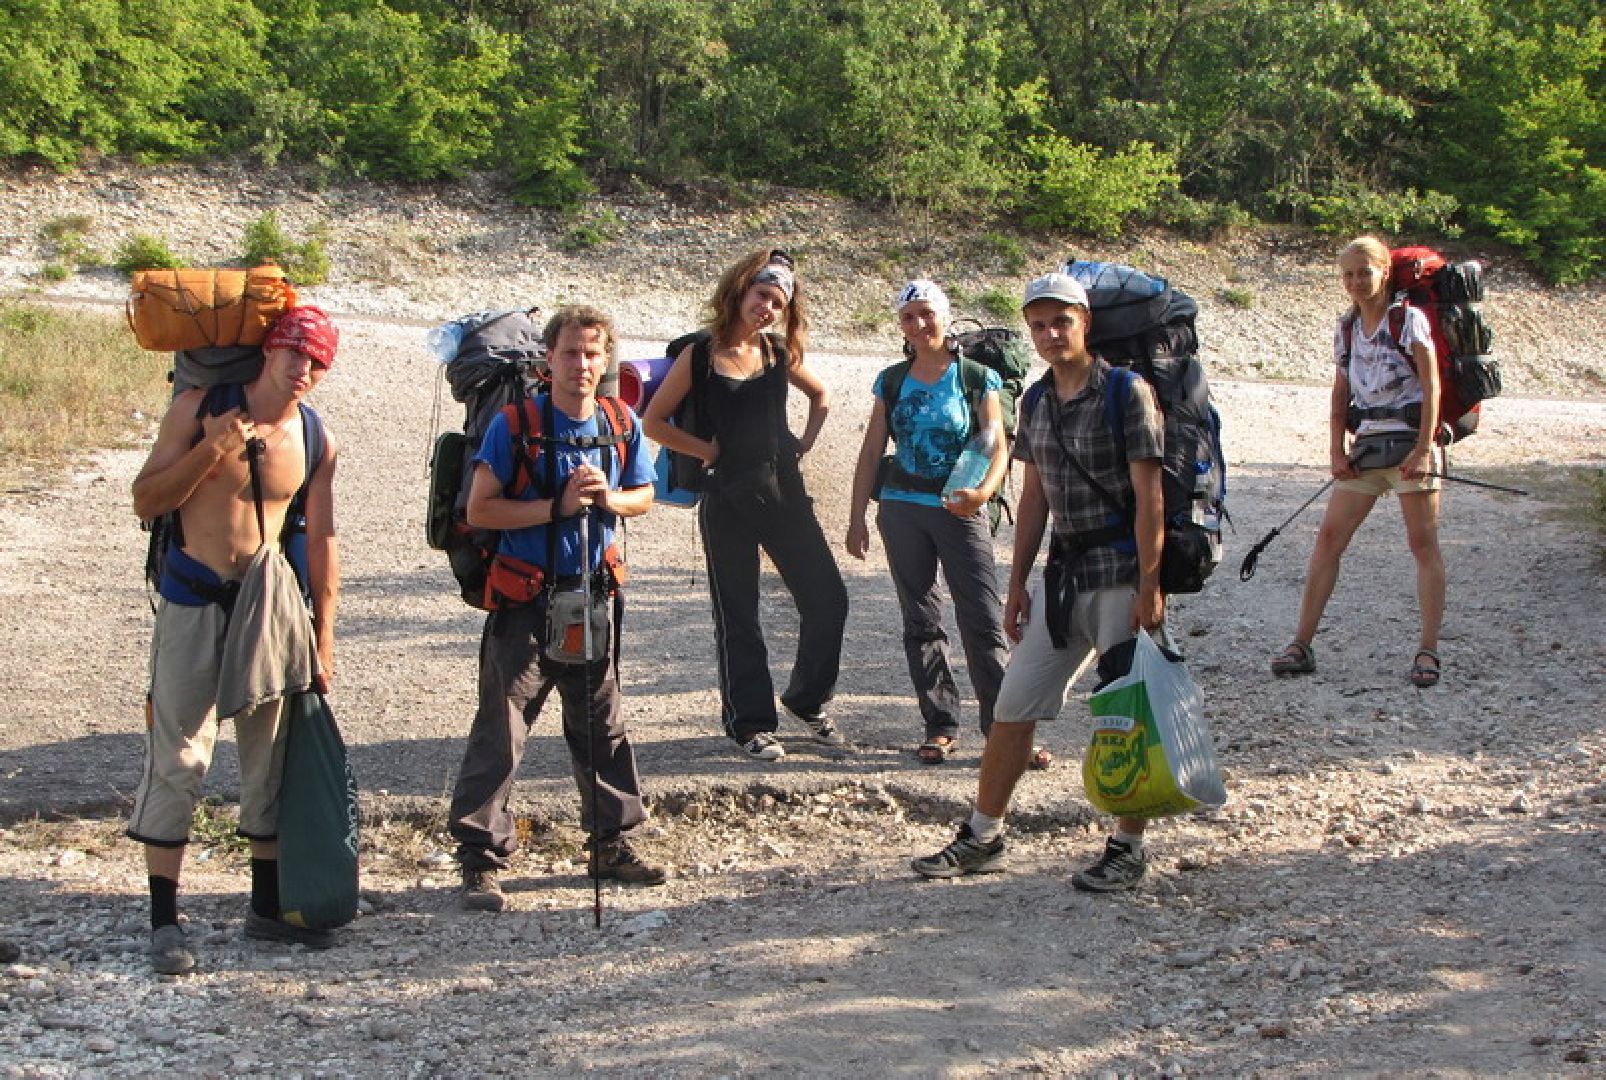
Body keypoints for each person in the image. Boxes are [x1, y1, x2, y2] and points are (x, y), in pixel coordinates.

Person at [911, 272, 1169, 892]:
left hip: (1120, 575)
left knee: (1126, 710)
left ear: (1086, 323)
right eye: (1039, 325)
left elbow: (1149, 494)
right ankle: (984, 836)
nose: (1051, 334)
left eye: (1062, 322)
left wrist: (1151, 584)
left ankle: (1128, 846)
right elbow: (1033, 498)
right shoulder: (1037, 398)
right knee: (1011, 707)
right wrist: (1018, 580)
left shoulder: (1126, 391)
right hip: (1063, 577)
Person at [129, 305, 342, 974]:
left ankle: (267, 907)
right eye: (294, 353)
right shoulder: (198, 405)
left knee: (269, 758)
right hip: (193, 598)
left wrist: (325, 636)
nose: (302, 369)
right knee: (179, 758)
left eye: (316, 361)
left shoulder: (313, 437)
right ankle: (165, 920)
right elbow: (146, 498)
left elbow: (323, 541)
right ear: (268, 351)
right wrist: (211, 450)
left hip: (267, 607)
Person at [448, 304, 667, 912]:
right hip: (526, 598)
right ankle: (480, 860)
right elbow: (479, 510)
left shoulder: (622, 421)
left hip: (593, 595)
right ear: (549, 359)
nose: (581, 364)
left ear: (607, 359)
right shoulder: (515, 424)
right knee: (503, 727)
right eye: (570, 352)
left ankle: (613, 843)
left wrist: (611, 500)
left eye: (593, 353)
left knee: (602, 724)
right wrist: (558, 507)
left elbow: (646, 494)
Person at [643, 250, 849, 762]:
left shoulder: (777, 354)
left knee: (829, 600)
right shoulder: (699, 353)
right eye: (763, 296)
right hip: (726, 499)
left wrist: (804, 442)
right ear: (740, 291)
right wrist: (706, 450)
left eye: (779, 303)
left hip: (784, 495)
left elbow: (821, 396)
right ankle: (750, 724)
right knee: (740, 614)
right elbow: (654, 421)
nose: (768, 309)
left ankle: (806, 699)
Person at [845, 280, 1011, 764]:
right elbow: (873, 448)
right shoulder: (892, 380)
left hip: (959, 509)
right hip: (899, 508)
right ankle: (940, 724)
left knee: (981, 618)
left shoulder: (977, 377)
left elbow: (996, 442)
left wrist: (984, 492)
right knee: (920, 619)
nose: (919, 325)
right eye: (908, 317)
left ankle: (1002, 728)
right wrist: (857, 517)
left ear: (944, 316)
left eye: (927, 314)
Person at [1270, 235, 1445, 687]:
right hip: (1366, 447)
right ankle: (1300, 644)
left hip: (1410, 445)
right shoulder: (1346, 327)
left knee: (1422, 545)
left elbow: (1432, 386)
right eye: (1347, 274)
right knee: (1328, 539)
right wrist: (1335, 450)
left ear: (1384, 271)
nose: (1355, 281)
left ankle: (1428, 651)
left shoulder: (1410, 321)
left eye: (1363, 271)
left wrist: (1425, 449)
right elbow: (1340, 390)